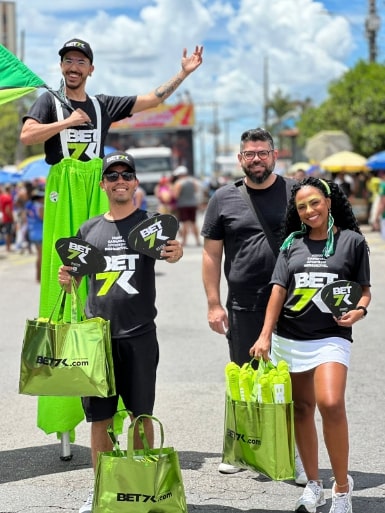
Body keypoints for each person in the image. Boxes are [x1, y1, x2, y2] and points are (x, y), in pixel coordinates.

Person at [19, 37, 202, 448]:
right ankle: (65, 409)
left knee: (106, 271)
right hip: (64, 188)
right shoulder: (49, 101)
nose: (74, 66)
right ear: (62, 66)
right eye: (68, 60)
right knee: (62, 280)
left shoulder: (102, 104)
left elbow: (152, 99)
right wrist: (66, 124)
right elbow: (29, 135)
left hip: (93, 188)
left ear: (90, 69)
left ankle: (118, 408)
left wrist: (184, 73)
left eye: (81, 61)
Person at [58, 151, 183, 513]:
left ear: (135, 182)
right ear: (103, 184)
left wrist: (173, 253)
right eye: (112, 176)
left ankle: (141, 492)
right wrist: (67, 278)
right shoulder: (89, 229)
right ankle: (102, 491)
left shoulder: (150, 224)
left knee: (140, 417)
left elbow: (169, 252)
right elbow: (74, 280)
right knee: (99, 419)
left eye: (126, 175)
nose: (120, 181)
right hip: (96, 339)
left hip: (139, 335)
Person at [249, 177, 371, 513]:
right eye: (302, 206)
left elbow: (364, 290)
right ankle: (314, 485)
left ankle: (342, 488)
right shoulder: (291, 244)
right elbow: (278, 289)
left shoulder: (352, 242)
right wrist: (264, 334)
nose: (309, 211)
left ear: (329, 202)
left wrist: (359, 311)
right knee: (301, 410)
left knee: (330, 403)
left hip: (332, 336)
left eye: (314, 202)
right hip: (290, 337)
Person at [200, 128, 305, 478]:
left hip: (295, 304)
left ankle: (297, 452)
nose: (256, 159)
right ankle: (242, 450)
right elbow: (212, 255)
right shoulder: (223, 198)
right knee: (246, 378)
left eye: (262, 152)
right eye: (249, 154)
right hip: (243, 304)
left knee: (294, 379)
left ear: (275, 155)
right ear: (240, 159)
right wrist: (214, 303)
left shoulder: (295, 193)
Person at [172, 165, 201, 246]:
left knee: (185, 223)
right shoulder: (193, 181)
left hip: (183, 205)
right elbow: (196, 190)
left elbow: (176, 195)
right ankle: (197, 240)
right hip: (193, 204)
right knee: (193, 222)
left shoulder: (179, 183)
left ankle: (184, 241)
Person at [25, 188, 44, 282]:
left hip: (32, 232)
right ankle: (39, 277)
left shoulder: (30, 206)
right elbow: (43, 218)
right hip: (40, 233)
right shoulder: (40, 207)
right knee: (41, 256)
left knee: (38, 255)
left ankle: (38, 277)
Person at [0, 184, 14, 252]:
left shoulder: (1, 197)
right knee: (8, 233)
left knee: (6, 233)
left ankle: (7, 247)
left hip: (3, 217)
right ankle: (8, 247)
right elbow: (8, 210)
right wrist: (12, 218)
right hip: (7, 218)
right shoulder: (7, 198)